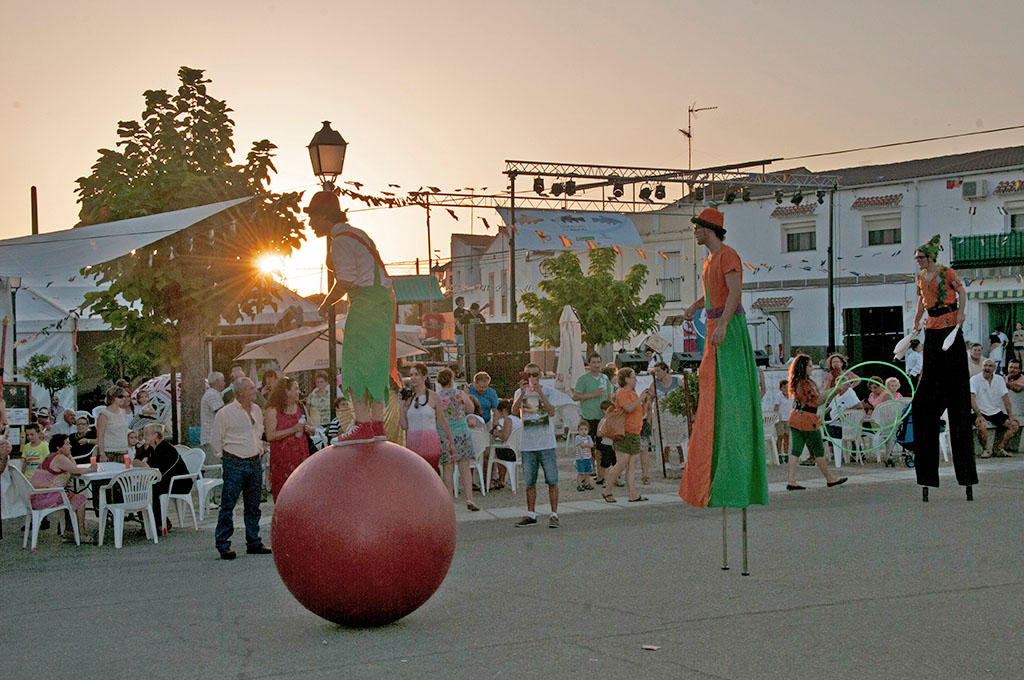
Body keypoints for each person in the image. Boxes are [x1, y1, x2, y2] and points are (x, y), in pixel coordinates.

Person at [678, 207, 769, 509]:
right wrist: (694, 306)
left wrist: (726, 325)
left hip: (727, 326)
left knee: (728, 390)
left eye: (697, 228)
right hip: (715, 323)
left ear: (707, 229)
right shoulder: (709, 261)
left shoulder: (728, 255)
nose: (694, 233)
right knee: (711, 385)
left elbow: (734, 294)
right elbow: (713, 294)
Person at [307, 191, 400, 445]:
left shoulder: (340, 241)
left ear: (325, 216)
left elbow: (346, 280)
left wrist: (327, 303)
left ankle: (362, 424)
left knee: (354, 361)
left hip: (366, 302)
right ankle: (377, 423)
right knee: (375, 361)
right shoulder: (358, 234)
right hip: (382, 302)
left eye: (312, 217)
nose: (310, 224)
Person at [911, 234, 977, 502]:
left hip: (951, 326)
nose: (918, 262)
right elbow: (921, 301)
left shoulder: (946, 272)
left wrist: (962, 312)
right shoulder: (920, 278)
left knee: (957, 399)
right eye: (917, 259)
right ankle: (927, 477)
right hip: (933, 330)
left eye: (921, 258)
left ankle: (967, 476)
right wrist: (916, 320)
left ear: (931, 257)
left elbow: (961, 290)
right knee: (924, 403)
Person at [211, 377, 271, 560]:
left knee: (253, 505)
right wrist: (226, 457)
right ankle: (223, 543)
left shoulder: (257, 410)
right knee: (228, 504)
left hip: (254, 461)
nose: (255, 391)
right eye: (251, 388)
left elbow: (258, 433)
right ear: (241, 392)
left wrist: (260, 449)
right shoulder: (226, 413)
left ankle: (254, 541)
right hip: (234, 461)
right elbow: (216, 440)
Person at [785, 354, 848, 491]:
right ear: (803, 367)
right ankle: (829, 478)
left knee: (796, 450)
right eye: (809, 366)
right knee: (818, 449)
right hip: (807, 419)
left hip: (795, 416)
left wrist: (831, 389)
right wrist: (836, 389)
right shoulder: (806, 383)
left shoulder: (795, 382)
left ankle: (791, 480)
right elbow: (818, 400)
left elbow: (817, 398)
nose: (812, 369)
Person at [512, 362, 560, 528]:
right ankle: (531, 513)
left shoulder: (549, 391)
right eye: (528, 375)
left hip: (546, 443)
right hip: (528, 445)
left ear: (540, 376)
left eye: (534, 374)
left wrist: (540, 393)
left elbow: (552, 411)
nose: (531, 378)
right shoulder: (520, 392)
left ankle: (554, 514)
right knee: (529, 482)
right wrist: (522, 394)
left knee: (552, 480)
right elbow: (513, 411)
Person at [28, 434, 96, 542]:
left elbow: (74, 468)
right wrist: (92, 469)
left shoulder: (52, 456)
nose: (70, 446)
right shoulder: (59, 458)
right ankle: (81, 533)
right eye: (67, 444)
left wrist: (69, 455)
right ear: (58, 448)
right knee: (80, 499)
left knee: (70, 497)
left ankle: (69, 531)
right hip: (45, 497)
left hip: (38, 496)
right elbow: (76, 471)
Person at [600, 367, 651, 503]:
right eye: (633, 377)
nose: (635, 380)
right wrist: (640, 398)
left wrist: (645, 400)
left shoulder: (633, 394)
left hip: (634, 432)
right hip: (625, 432)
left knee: (632, 464)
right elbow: (628, 408)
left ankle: (633, 494)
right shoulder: (622, 393)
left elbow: (640, 413)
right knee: (621, 463)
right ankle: (608, 490)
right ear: (626, 379)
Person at [434, 368, 479, 511]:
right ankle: (469, 499)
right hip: (461, 432)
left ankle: (449, 501)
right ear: (452, 379)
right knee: (464, 467)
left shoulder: (437, 397)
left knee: (448, 468)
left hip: (444, 434)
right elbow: (471, 409)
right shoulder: (460, 394)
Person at [133, 423, 193, 531]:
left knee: (151, 489)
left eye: (146, 434)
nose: (144, 436)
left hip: (180, 482)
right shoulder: (152, 448)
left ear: (155, 435)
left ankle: (161, 523)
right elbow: (137, 460)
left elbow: (156, 471)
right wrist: (143, 463)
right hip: (165, 480)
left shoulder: (166, 449)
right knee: (140, 487)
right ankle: (147, 521)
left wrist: (145, 465)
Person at [264, 376, 315, 502]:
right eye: (296, 389)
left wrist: (308, 429)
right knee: (283, 494)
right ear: (286, 391)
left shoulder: (301, 407)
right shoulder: (273, 410)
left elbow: (313, 429)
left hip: (301, 457)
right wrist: (293, 429)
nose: (299, 392)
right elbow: (270, 435)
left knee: (302, 494)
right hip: (282, 460)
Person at [398, 363, 454, 474]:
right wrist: (401, 405)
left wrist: (451, 440)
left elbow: (441, 420)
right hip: (413, 441)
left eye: (416, 374)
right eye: (411, 375)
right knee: (415, 474)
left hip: (429, 441)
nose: (413, 377)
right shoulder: (409, 399)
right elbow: (404, 425)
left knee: (431, 473)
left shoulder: (434, 397)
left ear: (424, 377)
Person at [572, 352, 615, 484]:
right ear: (589, 364)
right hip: (589, 417)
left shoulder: (604, 378)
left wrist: (611, 411)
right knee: (587, 447)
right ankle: (587, 474)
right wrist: (593, 394)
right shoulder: (583, 379)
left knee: (602, 447)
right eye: (594, 362)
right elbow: (576, 396)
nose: (596, 365)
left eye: (598, 362)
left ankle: (602, 475)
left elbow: (609, 395)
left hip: (602, 417)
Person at [970, 358, 1019, 458]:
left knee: (1014, 425)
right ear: (982, 367)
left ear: (994, 368)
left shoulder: (999, 379)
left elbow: (1005, 398)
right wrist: (979, 415)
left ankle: (999, 448)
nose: (987, 368)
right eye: (985, 366)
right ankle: (986, 450)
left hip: (994, 411)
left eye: (990, 366)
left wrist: (1010, 416)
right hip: (979, 411)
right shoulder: (975, 379)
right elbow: (971, 399)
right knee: (981, 424)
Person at [644, 361, 686, 471]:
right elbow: (650, 400)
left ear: (665, 370)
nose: (656, 373)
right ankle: (665, 462)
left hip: (677, 415)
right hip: (662, 415)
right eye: (655, 371)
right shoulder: (654, 384)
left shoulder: (677, 381)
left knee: (680, 438)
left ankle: (682, 461)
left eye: (658, 371)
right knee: (664, 439)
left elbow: (685, 395)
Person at [489, 399, 521, 489]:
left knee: (495, 452)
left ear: (503, 411)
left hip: (511, 451)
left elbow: (505, 437)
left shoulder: (508, 419)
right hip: (519, 451)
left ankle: (500, 479)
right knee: (501, 450)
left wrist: (496, 433)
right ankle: (503, 478)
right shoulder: (518, 419)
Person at [96, 384, 131, 463]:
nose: (123, 399)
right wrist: (102, 454)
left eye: (124, 397)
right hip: (109, 452)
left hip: (123, 451)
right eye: (120, 396)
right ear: (113, 397)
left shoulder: (123, 412)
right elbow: (100, 436)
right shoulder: (104, 414)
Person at [200, 372, 226, 458]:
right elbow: (221, 412)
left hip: (212, 438)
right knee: (213, 468)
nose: (224, 383)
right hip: (211, 438)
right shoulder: (212, 395)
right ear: (217, 381)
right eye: (223, 380)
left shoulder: (214, 394)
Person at [774, 379, 793, 461]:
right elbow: (776, 407)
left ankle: (785, 453)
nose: (786, 389)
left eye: (787, 387)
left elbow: (793, 407)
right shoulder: (778, 396)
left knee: (787, 436)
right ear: (781, 388)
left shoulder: (792, 396)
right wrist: (776, 418)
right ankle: (778, 454)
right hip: (780, 419)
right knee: (780, 436)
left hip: (788, 419)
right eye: (784, 387)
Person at [573, 420, 595, 491]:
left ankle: (587, 483)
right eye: (581, 429)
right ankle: (579, 484)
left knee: (588, 472)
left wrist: (585, 444)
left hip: (588, 457)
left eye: (585, 429)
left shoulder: (588, 437)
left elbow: (591, 445)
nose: (583, 431)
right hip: (581, 458)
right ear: (578, 430)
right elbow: (579, 446)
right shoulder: (578, 438)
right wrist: (581, 455)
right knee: (580, 472)